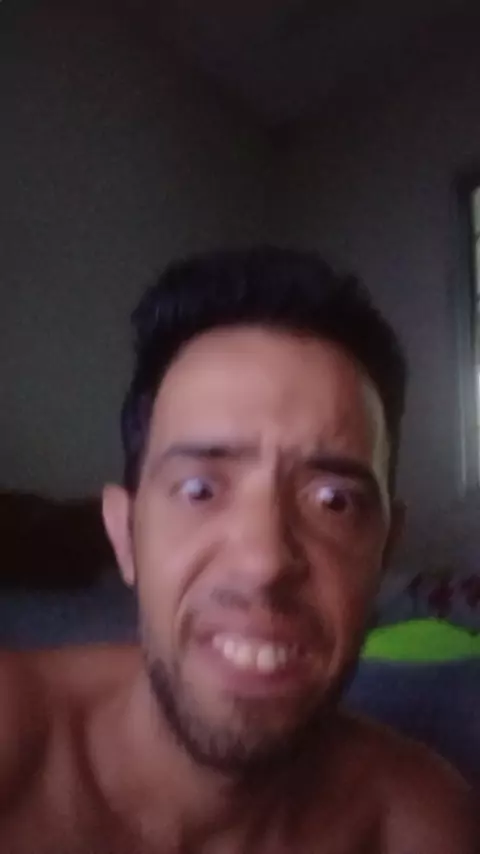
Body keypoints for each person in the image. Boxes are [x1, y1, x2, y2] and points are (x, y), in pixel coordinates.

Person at [0, 247, 475, 853]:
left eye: (334, 501)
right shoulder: (13, 739)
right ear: (124, 536)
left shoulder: (421, 828)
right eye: (199, 490)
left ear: (384, 551)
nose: (264, 563)